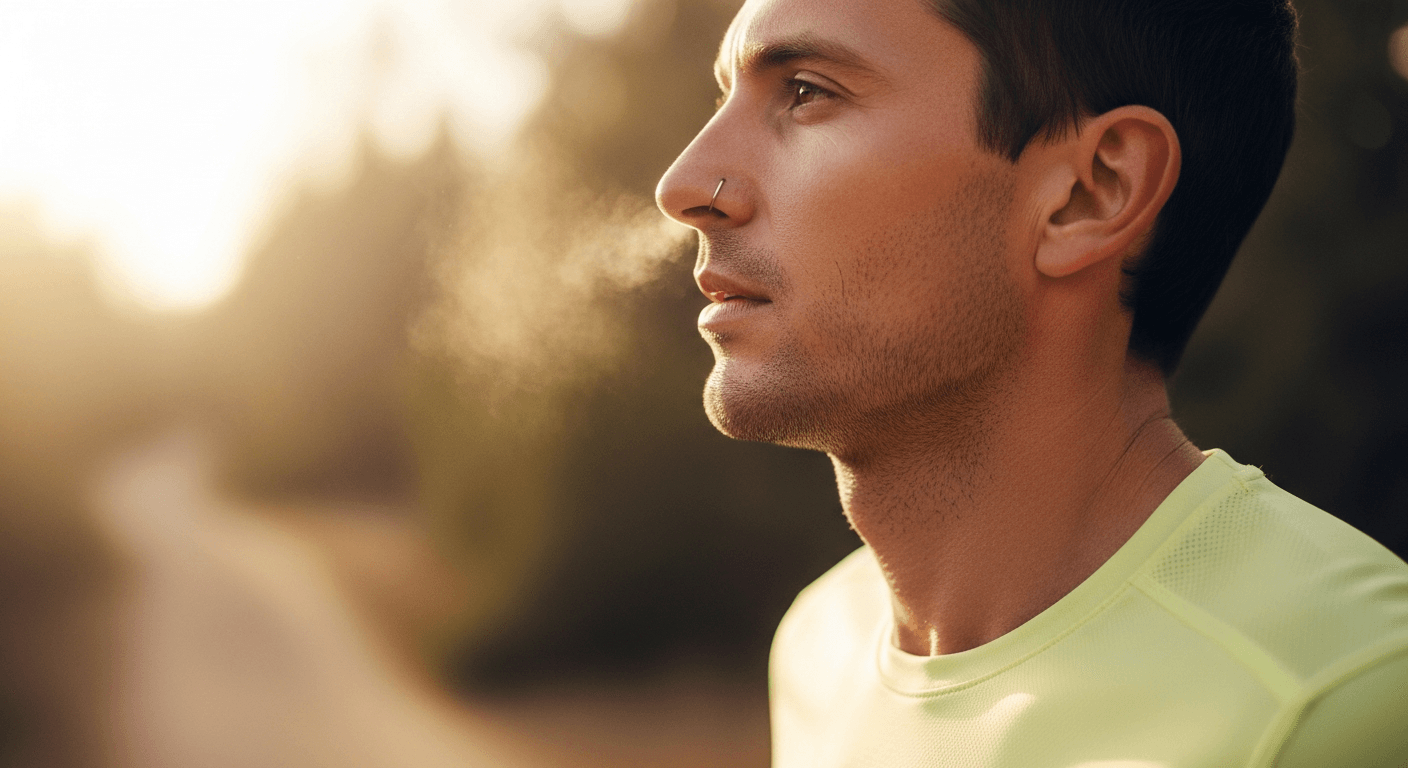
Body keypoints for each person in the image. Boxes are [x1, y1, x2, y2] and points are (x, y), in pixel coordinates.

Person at [654, 0, 1408, 765]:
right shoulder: (821, 647)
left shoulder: (1346, 695)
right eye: (726, 97)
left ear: (1091, 192)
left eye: (808, 91)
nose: (682, 184)